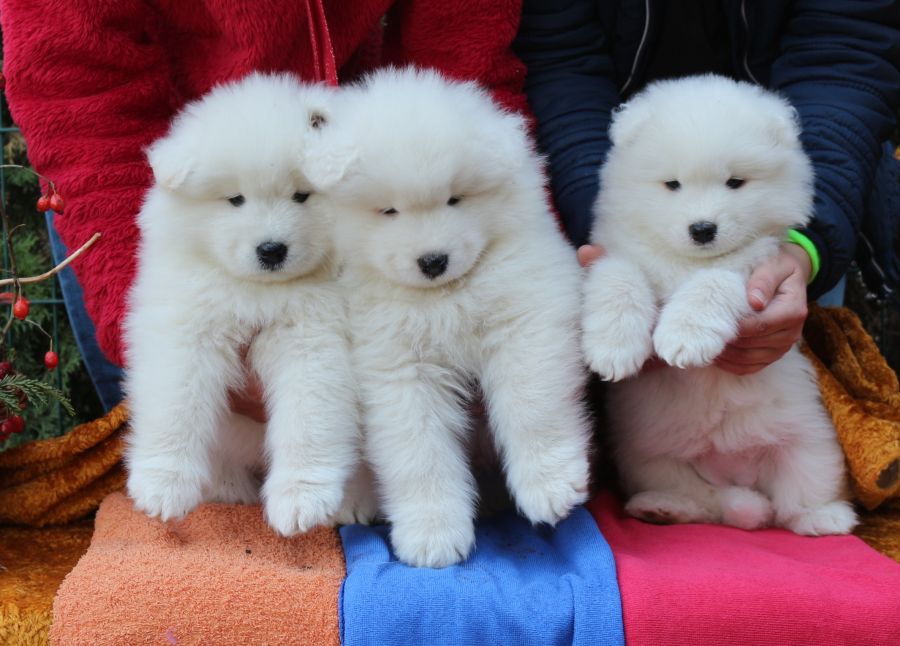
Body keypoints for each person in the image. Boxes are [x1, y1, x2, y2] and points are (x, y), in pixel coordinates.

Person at [0, 0, 529, 413]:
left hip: (351, 181)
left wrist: (506, 266)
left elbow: (465, 69)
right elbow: (75, 91)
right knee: (205, 463)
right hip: (171, 189)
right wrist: (147, 311)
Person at [515, 0, 900, 375]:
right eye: (675, 186)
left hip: (813, 159)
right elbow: (563, 62)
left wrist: (806, 245)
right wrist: (600, 216)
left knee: (781, 348)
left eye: (733, 183)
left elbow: (847, 54)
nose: (704, 218)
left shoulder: (775, 141)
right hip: (612, 153)